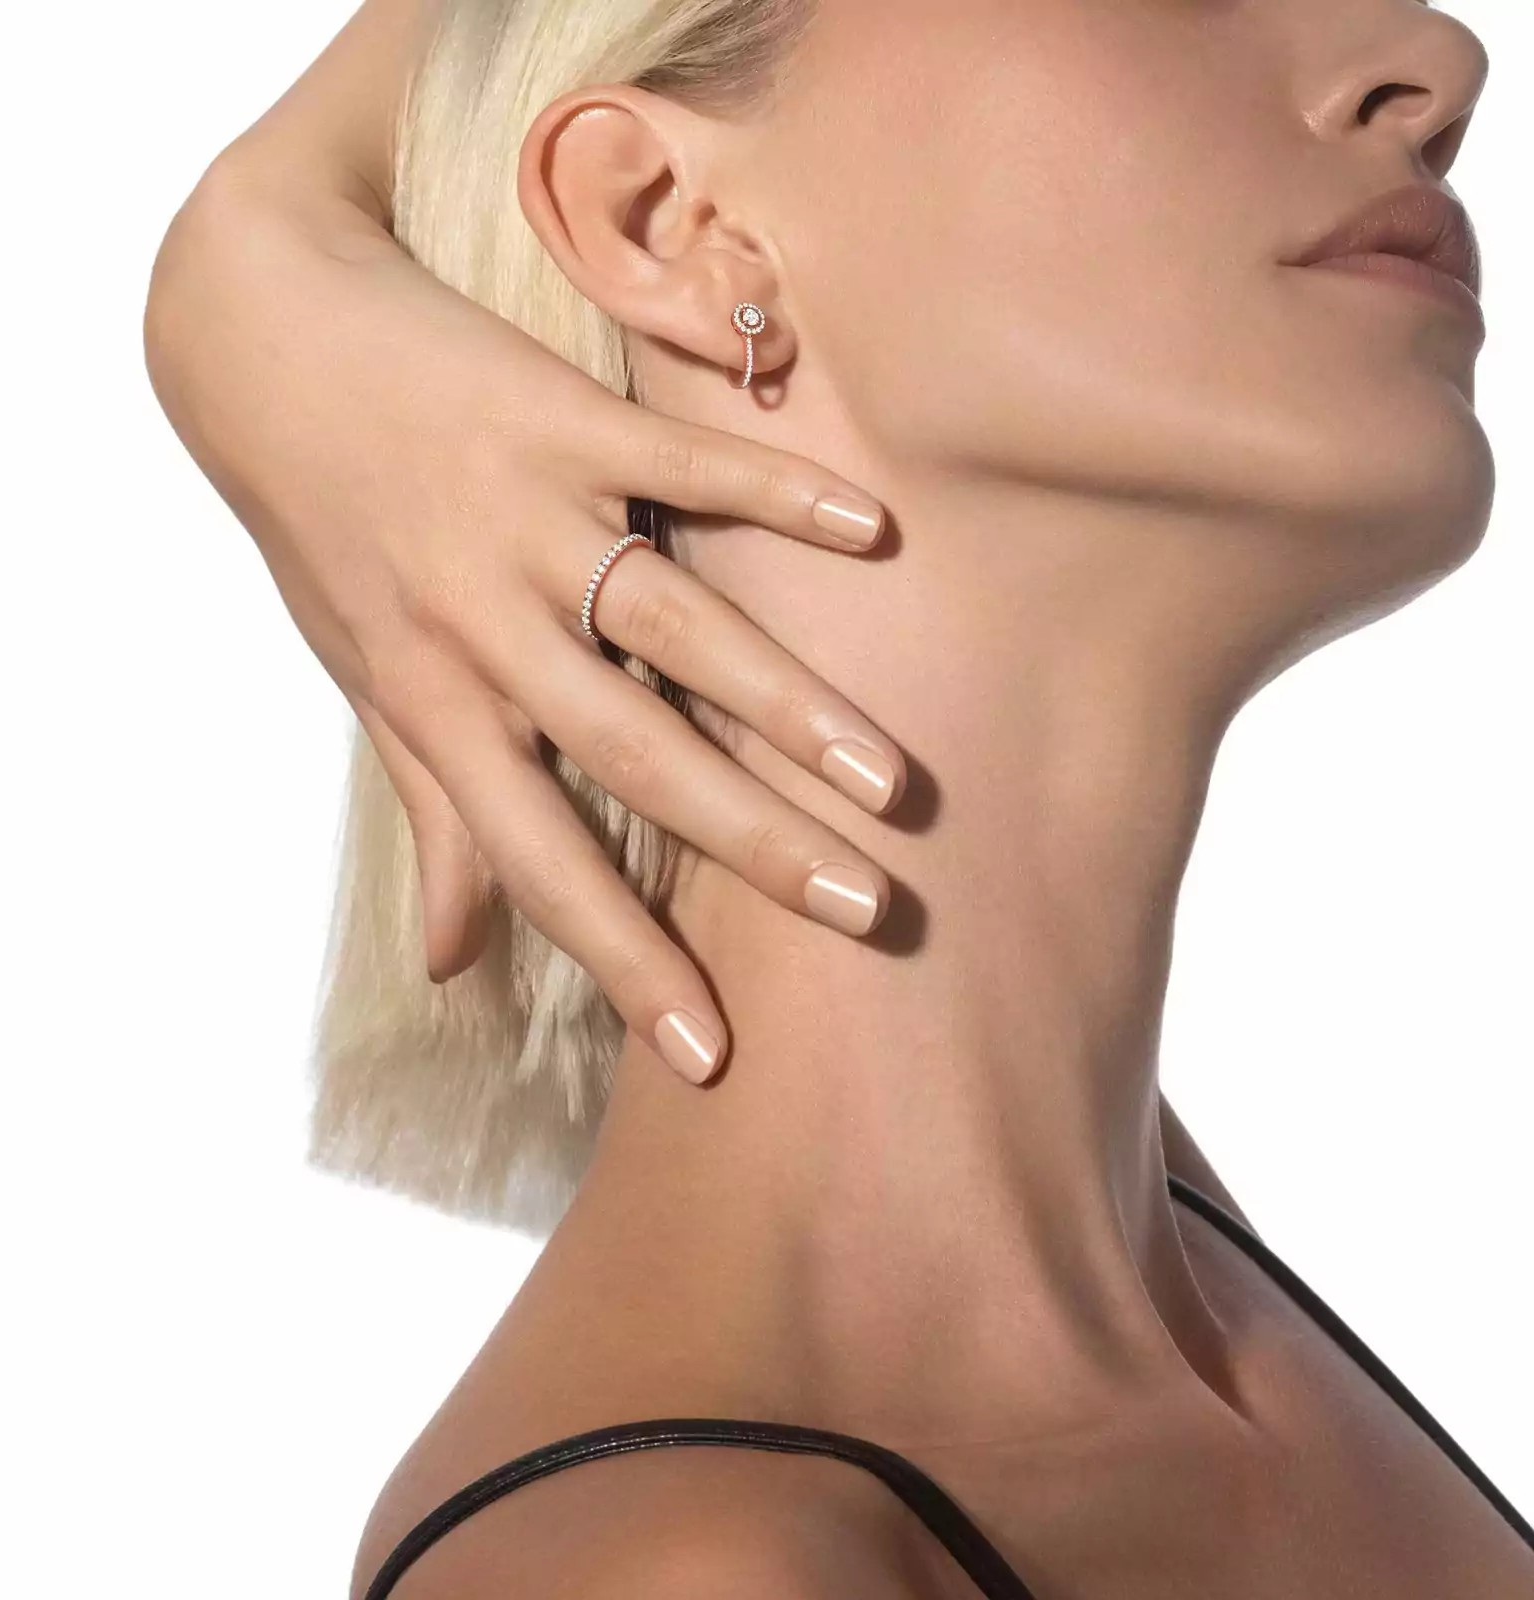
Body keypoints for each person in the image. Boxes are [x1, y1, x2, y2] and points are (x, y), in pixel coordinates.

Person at [143, 0, 1533, 1595]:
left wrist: (253, 223)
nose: (1440, 61)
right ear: (668, 222)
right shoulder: (696, 1575)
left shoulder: (1186, 1328)